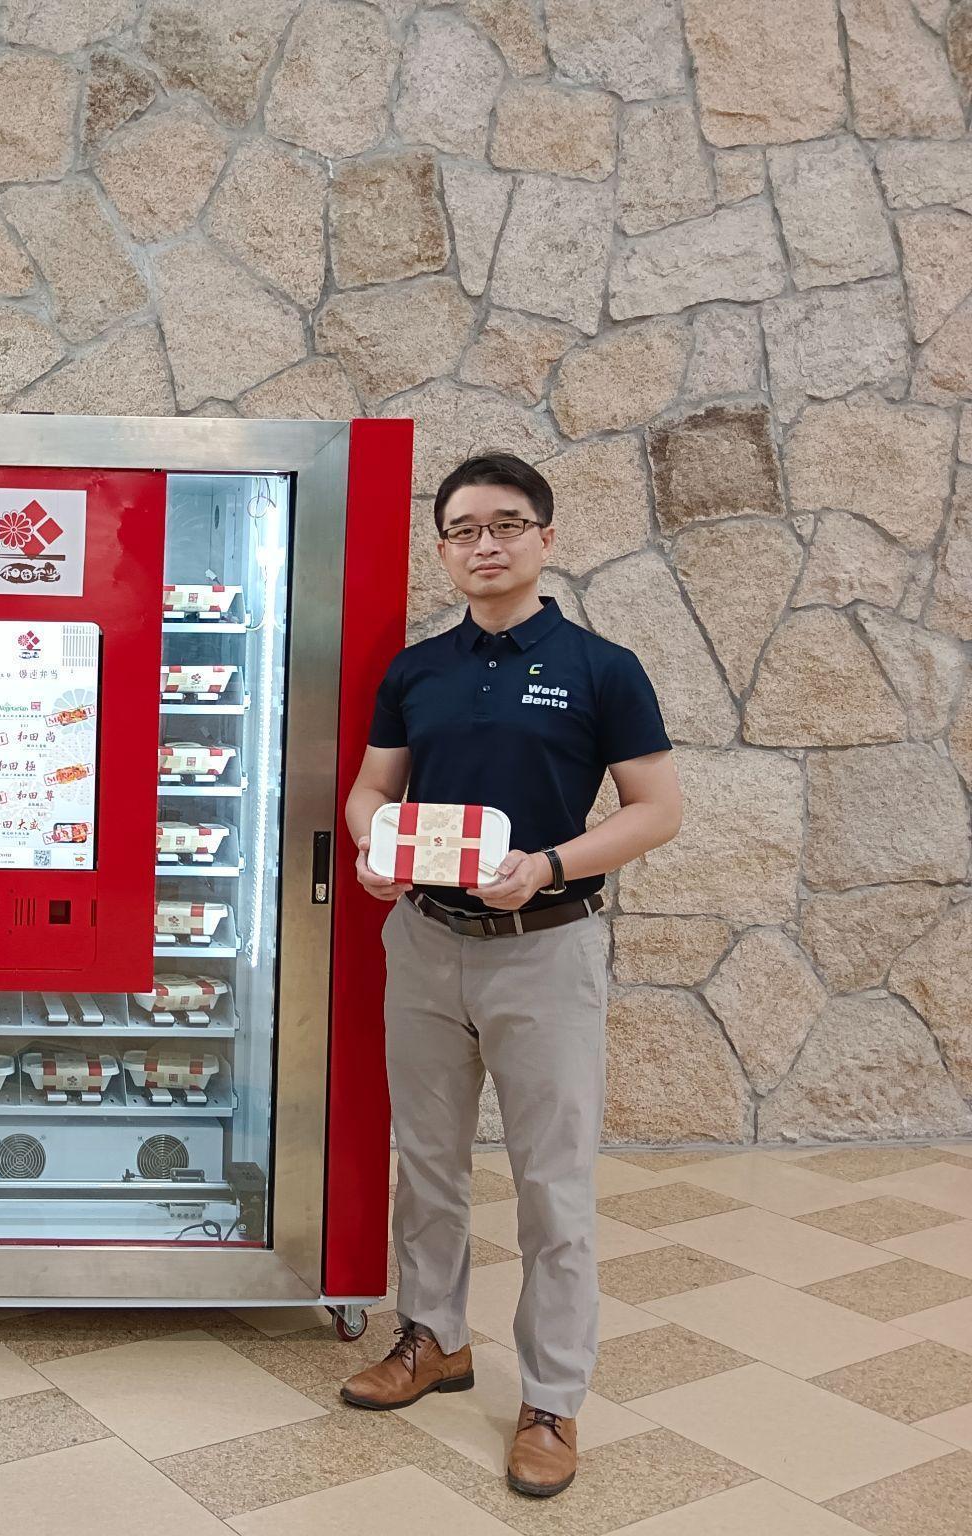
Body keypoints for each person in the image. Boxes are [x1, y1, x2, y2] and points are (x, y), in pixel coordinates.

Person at [337, 454, 681, 1500]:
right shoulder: (416, 670)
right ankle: (431, 1339)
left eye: (505, 524)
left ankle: (550, 1399)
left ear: (544, 538)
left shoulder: (599, 667)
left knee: (550, 1183)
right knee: (428, 1162)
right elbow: (368, 791)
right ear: (440, 551)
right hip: (425, 943)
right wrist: (372, 850)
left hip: (546, 949)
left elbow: (654, 809)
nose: (483, 544)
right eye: (461, 530)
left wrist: (546, 865)